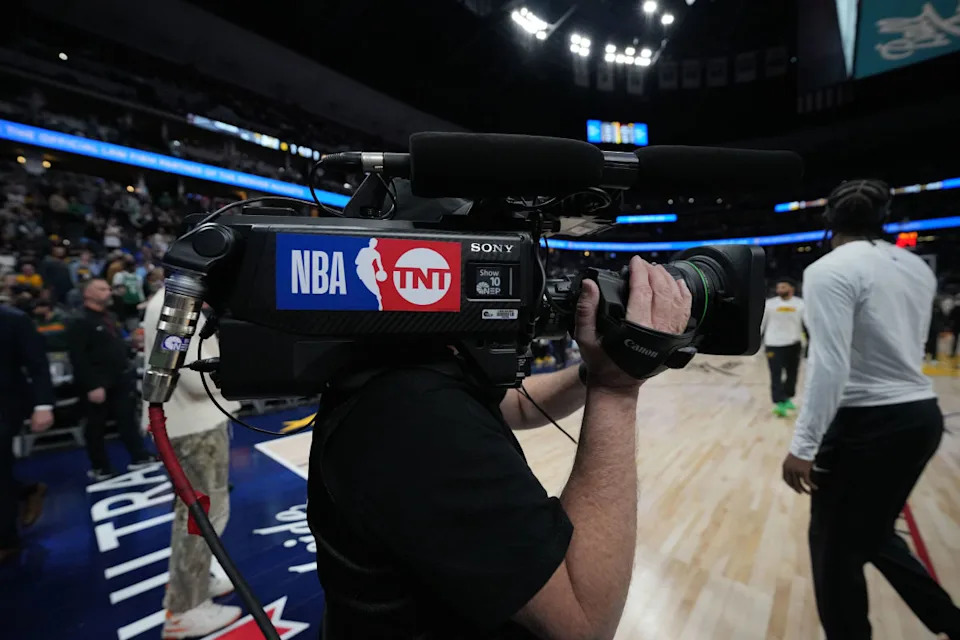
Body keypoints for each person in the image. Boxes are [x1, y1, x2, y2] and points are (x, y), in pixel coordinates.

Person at [307, 255, 692, 638]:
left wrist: (595, 369)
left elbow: (522, 405)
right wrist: (618, 386)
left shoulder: (404, 359)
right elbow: (584, 621)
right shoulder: (418, 414)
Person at [781, 179, 960, 639]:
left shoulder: (828, 269)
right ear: (882, 218)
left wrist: (803, 445)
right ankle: (949, 622)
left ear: (828, 220)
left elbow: (830, 365)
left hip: (867, 422)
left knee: (833, 551)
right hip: (921, 416)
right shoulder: (916, 265)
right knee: (873, 533)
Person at [142, 289, 242, 638]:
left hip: (192, 423)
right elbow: (192, 374)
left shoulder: (175, 299)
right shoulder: (179, 304)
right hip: (194, 426)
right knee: (201, 517)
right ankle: (185, 609)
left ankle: (194, 585)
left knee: (198, 513)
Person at [67, 278, 154, 480]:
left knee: (128, 419)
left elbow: (112, 344)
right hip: (98, 381)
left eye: (108, 288)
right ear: (88, 293)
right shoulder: (79, 320)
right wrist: (92, 385)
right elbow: (78, 357)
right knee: (96, 425)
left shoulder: (110, 316)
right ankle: (100, 466)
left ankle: (139, 455)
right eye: (102, 288)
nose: (108, 291)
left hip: (121, 376)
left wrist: (130, 344)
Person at [0, 305, 54, 562]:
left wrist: (43, 405)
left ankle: (7, 541)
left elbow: (37, 364)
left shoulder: (14, 319)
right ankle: (26, 490)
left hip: (5, 407)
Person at [761, 277, 805, 417]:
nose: (780, 290)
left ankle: (787, 397)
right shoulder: (769, 304)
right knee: (776, 374)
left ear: (791, 289)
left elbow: (807, 323)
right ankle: (779, 402)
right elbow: (761, 325)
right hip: (773, 344)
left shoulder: (801, 304)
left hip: (794, 344)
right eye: (779, 288)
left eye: (783, 287)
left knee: (792, 374)